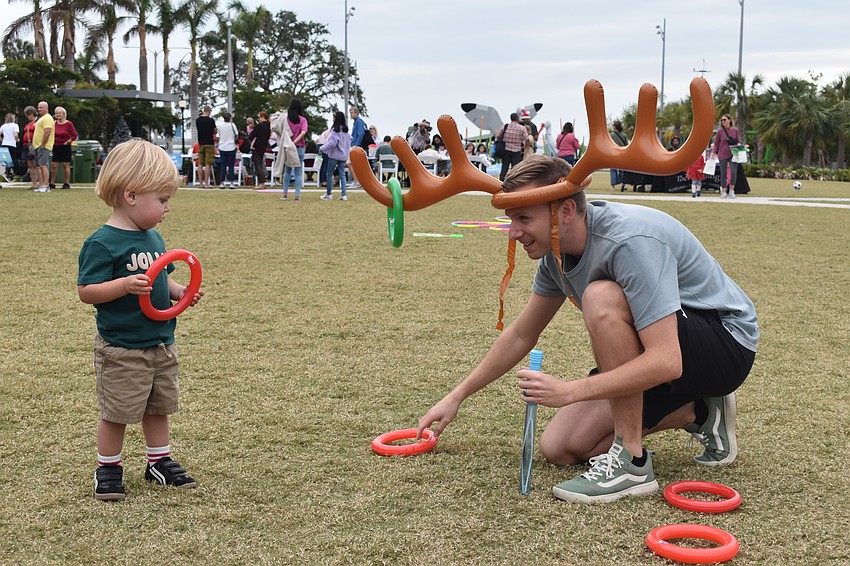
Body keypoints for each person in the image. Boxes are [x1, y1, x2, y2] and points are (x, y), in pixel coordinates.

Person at [417, 155, 758, 503]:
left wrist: (570, 391)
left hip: (724, 343)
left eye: (523, 218)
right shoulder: (555, 254)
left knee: (601, 296)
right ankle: (700, 411)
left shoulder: (628, 241)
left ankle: (632, 462)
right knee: (561, 446)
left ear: (564, 212)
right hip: (666, 346)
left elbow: (666, 361)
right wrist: (457, 396)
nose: (514, 231)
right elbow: (522, 334)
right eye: (511, 219)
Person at [77, 139, 205, 501]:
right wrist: (123, 285)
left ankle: (158, 462)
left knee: (158, 406)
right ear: (131, 195)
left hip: (160, 341)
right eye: (162, 200)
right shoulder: (102, 243)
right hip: (122, 347)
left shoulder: (153, 237)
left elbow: (160, 277)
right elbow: (87, 291)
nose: (168, 208)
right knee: (117, 411)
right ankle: (108, 466)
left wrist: (180, 291)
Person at [319, 111, 351, 201]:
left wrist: (322, 148)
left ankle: (329, 194)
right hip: (344, 156)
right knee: (342, 175)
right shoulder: (346, 131)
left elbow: (332, 143)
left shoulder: (335, 131)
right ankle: (343, 194)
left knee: (329, 174)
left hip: (334, 156)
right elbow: (350, 140)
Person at [282, 98, 308, 201]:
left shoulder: (286, 119)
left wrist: (291, 143)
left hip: (288, 147)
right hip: (299, 147)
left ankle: (285, 194)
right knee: (298, 172)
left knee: (287, 171)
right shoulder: (302, 120)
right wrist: (295, 142)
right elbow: (303, 132)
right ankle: (297, 195)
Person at [710, 114, 740, 199]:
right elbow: (716, 143)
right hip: (722, 153)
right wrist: (713, 152)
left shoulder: (735, 131)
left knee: (733, 172)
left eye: (724, 120)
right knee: (723, 173)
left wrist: (740, 146)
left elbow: (738, 141)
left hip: (733, 153)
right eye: (722, 120)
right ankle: (723, 191)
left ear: (729, 120)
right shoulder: (720, 131)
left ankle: (732, 190)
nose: (723, 122)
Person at [49, 106, 78, 190]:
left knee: (65, 165)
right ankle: (52, 183)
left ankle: (66, 183)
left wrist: (69, 141)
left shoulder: (68, 124)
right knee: (54, 165)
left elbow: (74, 135)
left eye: (60, 113)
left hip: (65, 146)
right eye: (57, 113)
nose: (58, 115)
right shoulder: (54, 123)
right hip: (56, 146)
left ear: (64, 114)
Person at [495, 112, 527, 181]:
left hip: (506, 150)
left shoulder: (506, 126)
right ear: (517, 119)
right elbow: (527, 138)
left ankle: (501, 181)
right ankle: (513, 182)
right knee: (515, 169)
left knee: (504, 168)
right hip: (517, 151)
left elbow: (498, 136)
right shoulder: (522, 128)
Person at [32, 101, 54, 193]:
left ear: (46, 108)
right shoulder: (42, 118)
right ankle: (41, 185)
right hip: (37, 146)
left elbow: (47, 132)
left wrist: (43, 144)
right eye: (38, 107)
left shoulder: (47, 118)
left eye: (41, 107)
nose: (39, 109)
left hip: (44, 146)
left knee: (43, 165)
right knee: (39, 166)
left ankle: (46, 185)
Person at [195, 106, 217, 188]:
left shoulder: (198, 120)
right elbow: (214, 130)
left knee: (200, 163)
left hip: (201, 143)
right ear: (209, 111)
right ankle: (207, 183)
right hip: (209, 143)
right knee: (208, 163)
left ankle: (200, 183)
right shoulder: (211, 120)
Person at [248, 111, 271, 189]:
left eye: (259, 117)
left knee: (257, 165)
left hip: (256, 147)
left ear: (263, 117)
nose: (258, 119)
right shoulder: (268, 126)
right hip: (263, 147)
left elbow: (251, 136)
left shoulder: (259, 126)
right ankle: (262, 182)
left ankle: (261, 182)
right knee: (260, 164)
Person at [216, 112, 238, 188]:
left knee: (223, 165)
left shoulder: (220, 126)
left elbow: (218, 135)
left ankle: (222, 182)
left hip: (222, 147)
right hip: (231, 146)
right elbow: (236, 134)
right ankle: (231, 183)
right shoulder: (232, 125)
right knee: (231, 165)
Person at [21, 106, 39, 189]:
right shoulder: (28, 124)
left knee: (36, 164)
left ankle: (41, 182)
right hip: (26, 145)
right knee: (30, 165)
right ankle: (34, 184)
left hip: (34, 145)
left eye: (28, 115)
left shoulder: (38, 122)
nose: (28, 117)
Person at [609, 120, 629, 191]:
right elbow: (626, 145)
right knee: (622, 170)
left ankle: (613, 186)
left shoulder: (611, 135)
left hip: (613, 153)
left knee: (613, 170)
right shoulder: (624, 135)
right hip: (622, 153)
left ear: (615, 127)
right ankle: (622, 183)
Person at [0, 112, 20, 182]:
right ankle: (8, 173)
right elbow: (16, 135)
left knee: (6, 160)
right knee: (12, 160)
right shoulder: (15, 126)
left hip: (4, 144)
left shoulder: (3, 126)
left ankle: (7, 173)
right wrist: (17, 140)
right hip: (12, 144)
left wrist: (2, 140)